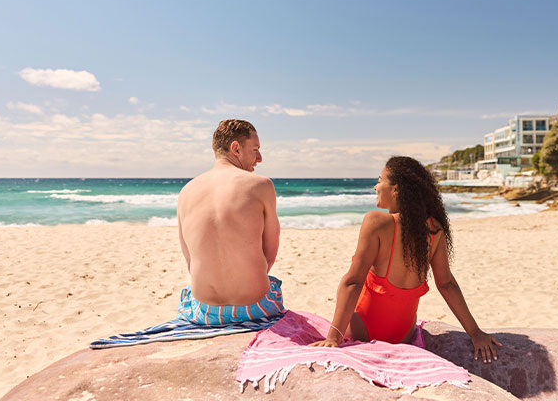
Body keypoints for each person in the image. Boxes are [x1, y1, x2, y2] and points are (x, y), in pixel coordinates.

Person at [310, 156, 501, 363]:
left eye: (380, 180)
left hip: (364, 331)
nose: (375, 187)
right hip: (403, 336)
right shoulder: (434, 228)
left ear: (396, 189)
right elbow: (446, 284)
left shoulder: (376, 221)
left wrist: (333, 337)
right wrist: (475, 333)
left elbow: (353, 282)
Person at [176, 119, 284, 324]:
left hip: (205, 312)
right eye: (255, 149)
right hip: (255, 308)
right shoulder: (261, 185)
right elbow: (269, 256)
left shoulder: (186, 191)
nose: (259, 158)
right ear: (235, 148)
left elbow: (191, 261)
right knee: (272, 284)